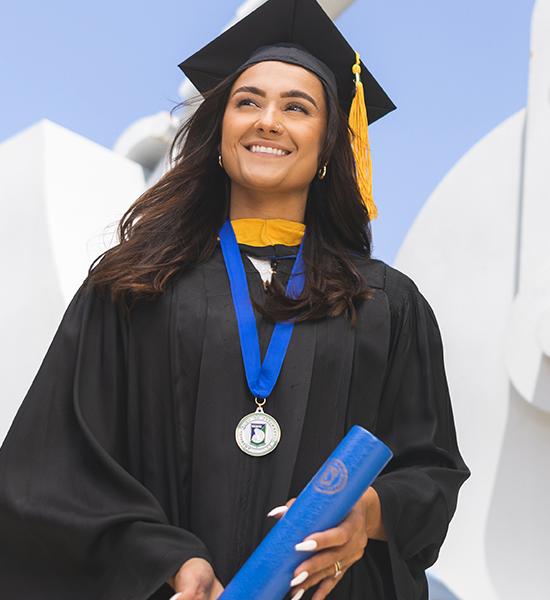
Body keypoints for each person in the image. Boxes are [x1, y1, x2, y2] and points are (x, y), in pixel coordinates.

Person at [0, 0, 470, 598]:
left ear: (328, 148)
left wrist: (365, 517)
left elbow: (430, 470)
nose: (268, 121)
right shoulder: (134, 287)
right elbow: (51, 469)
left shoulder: (384, 304)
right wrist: (165, 559)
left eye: (297, 108)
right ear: (220, 133)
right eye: (247, 102)